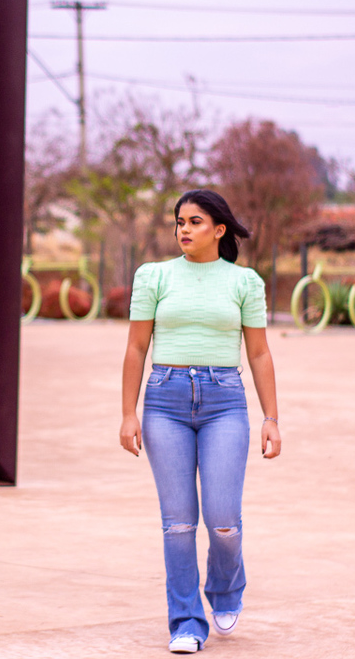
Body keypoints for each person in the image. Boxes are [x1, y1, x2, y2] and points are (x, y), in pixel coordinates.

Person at [119, 189, 281, 654]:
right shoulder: (154, 277)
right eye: (179, 222)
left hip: (225, 401)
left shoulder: (244, 282)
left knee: (224, 520)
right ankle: (186, 622)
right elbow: (135, 348)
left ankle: (226, 590)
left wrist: (271, 417)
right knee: (178, 524)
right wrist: (128, 413)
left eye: (194, 221)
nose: (183, 230)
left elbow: (259, 353)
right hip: (164, 402)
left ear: (219, 229)